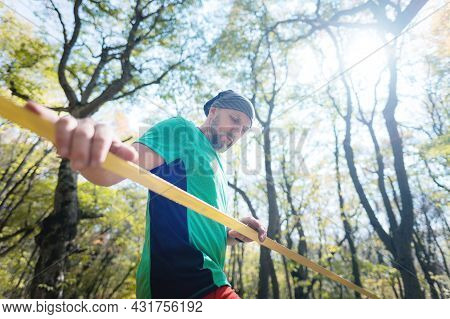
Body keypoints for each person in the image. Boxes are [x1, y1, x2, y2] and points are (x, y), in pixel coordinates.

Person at [25, 90, 267, 299]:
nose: (237, 131)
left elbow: (199, 225)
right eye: (234, 119)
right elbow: (110, 171)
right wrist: (88, 148)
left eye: (244, 129)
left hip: (209, 275)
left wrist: (232, 233)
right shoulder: (182, 131)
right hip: (182, 276)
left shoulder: (219, 167)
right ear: (213, 112)